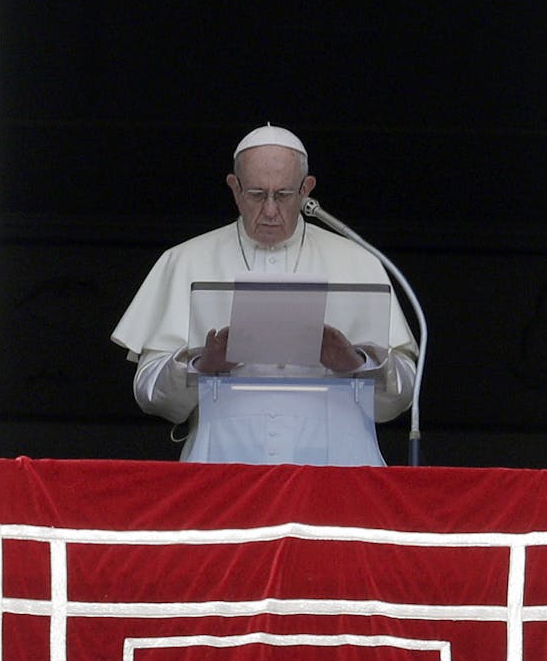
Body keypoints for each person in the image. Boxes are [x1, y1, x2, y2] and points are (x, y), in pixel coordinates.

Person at [111, 124, 418, 461]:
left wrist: (356, 364)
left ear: (306, 189)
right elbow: (149, 395)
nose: (271, 211)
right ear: (234, 188)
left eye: (284, 195)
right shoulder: (184, 260)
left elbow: (402, 395)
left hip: (339, 463)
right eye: (257, 194)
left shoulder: (358, 260)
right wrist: (201, 365)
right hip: (222, 460)